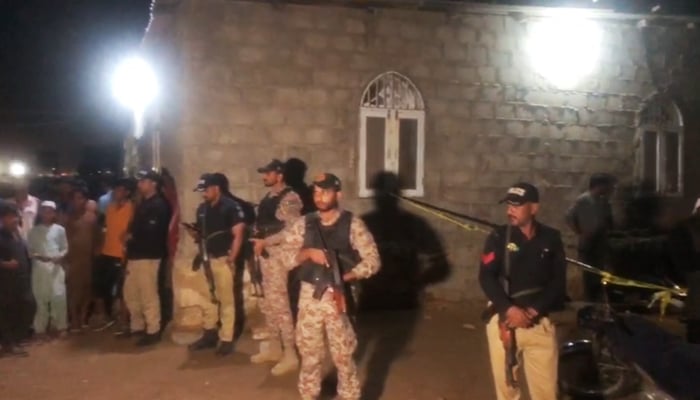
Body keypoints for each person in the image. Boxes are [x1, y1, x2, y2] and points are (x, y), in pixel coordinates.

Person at [252, 173, 381, 400]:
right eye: (316, 192)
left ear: (338, 194)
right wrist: (307, 253)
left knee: (343, 357)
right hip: (309, 296)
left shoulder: (353, 224)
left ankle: (349, 395)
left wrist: (348, 275)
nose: (320, 197)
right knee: (310, 356)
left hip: (338, 297)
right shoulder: (304, 224)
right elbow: (285, 258)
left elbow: (373, 260)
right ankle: (309, 395)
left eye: (326, 192)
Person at [479, 183, 566, 400]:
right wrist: (509, 309)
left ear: (534, 208)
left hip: (539, 324)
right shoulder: (499, 237)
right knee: (507, 391)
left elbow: (558, 282)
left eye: (517, 205)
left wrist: (533, 311)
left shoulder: (551, 238)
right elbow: (486, 276)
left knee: (547, 393)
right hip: (505, 324)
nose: (510, 210)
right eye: (508, 205)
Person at [249, 159, 303, 376]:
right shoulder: (269, 198)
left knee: (281, 305)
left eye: (268, 173)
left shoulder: (290, 199)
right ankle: (274, 347)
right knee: (269, 304)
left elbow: (293, 231)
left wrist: (267, 242)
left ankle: (290, 354)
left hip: (278, 257)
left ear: (279, 175)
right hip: (265, 255)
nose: (264, 176)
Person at [185, 173, 246, 356]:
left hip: (223, 259)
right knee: (207, 299)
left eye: (205, 190)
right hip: (207, 259)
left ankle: (226, 339)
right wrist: (192, 232)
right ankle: (209, 334)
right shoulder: (202, 209)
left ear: (216, 188)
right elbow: (200, 235)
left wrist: (231, 259)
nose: (203, 194)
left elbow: (238, 234)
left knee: (226, 300)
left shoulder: (230, 207)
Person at [123, 170, 171, 347]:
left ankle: (153, 330)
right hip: (136, 255)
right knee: (131, 293)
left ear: (154, 184)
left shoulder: (159, 205)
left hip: (149, 255)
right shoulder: (144, 204)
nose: (139, 185)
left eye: (143, 181)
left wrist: (132, 237)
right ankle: (137, 326)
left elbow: (153, 231)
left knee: (148, 294)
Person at [565, 173, 615, 302]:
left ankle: (599, 297)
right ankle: (590, 299)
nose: (610, 189)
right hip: (587, 241)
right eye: (608, 185)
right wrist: (579, 232)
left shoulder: (603, 201)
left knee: (600, 269)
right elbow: (569, 217)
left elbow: (609, 220)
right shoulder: (583, 200)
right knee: (588, 270)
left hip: (600, 241)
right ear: (600, 185)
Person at [93, 179, 134, 332]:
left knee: (123, 290)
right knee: (100, 287)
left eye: (120, 190)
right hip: (106, 252)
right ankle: (104, 317)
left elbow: (133, 229)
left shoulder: (132, 208)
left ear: (127, 192)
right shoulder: (109, 208)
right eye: (115, 190)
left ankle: (124, 321)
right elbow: (106, 228)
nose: (116, 193)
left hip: (121, 254)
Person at [27, 201, 68, 340]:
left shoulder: (60, 229)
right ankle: (40, 329)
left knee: (59, 297)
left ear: (54, 214)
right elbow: (30, 251)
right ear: (40, 213)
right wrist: (40, 257)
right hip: (39, 268)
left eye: (50, 211)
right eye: (44, 211)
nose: (47, 214)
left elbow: (64, 248)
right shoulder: (34, 230)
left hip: (56, 268)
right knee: (41, 299)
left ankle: (60, 326)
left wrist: (59, 256)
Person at [64, 186, 100, 333]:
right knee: (74, 292)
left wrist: (96, 253)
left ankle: (84, 318)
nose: (77, 201)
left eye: (80, 198)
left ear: (86, 200)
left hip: (89, 261)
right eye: (75, 198)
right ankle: (75, 320)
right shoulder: (68, 219)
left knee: (87, 291)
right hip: (74, 261)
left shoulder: (92, 218)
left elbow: (98, 238)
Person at [0, 202, 32, 357]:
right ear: (3, 219)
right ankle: (9, 344)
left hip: (22, 280)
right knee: (8, 313)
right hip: (6, 283)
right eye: (10, 217)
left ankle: (15, 341)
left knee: (27, 307)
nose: (14, 219)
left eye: (15, 216)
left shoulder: (18, 233)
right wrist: (5, 264)